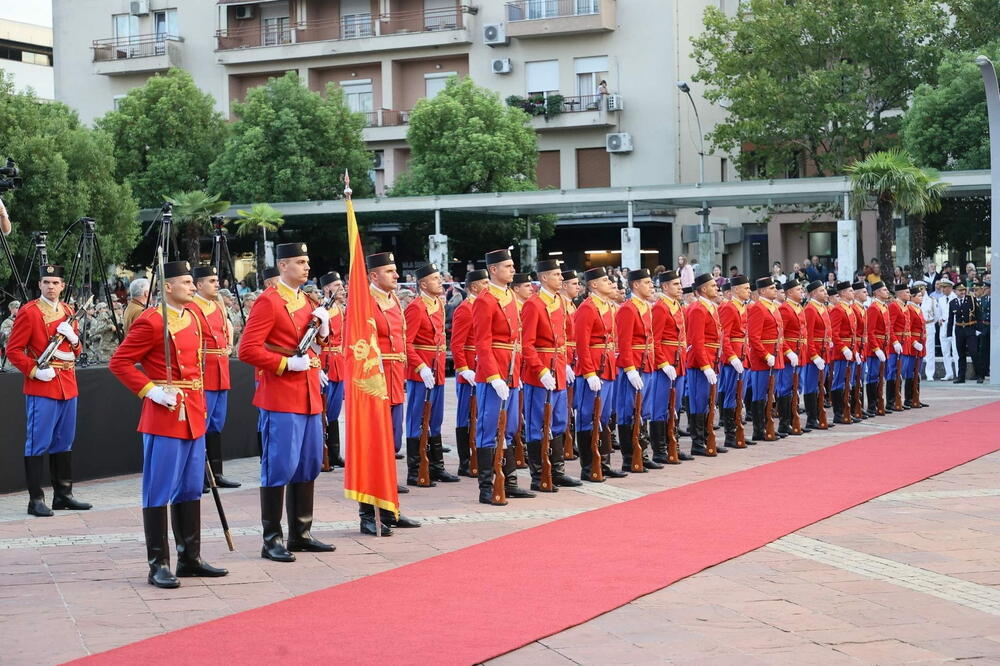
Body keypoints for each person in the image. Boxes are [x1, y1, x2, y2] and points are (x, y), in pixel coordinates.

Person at [109, 260, 227, 588]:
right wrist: (151, 390)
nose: (193, 287)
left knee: (190, 487)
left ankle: (190, 557)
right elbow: (119, 362)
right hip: (164, 412)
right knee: (159, 488)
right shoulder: (151, 321)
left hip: (192, 411)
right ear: (169, 287)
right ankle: (158, 563)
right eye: (187, 282)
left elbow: (198, 370)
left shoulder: (192, 318)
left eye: (193, 282)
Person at [239, 243, 334, 562]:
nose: (307, 267)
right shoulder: (269, 301)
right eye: (300, 262)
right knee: (279, 466)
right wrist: (283, 365)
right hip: (281, 393)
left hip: (307, 393)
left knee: (308, 463)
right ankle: (271, 538)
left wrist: (324, 328)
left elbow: (317, 345)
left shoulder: (308, 300)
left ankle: (301, 533)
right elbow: (248, 350)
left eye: (308, 261)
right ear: (283, 265)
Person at [6, 265, 91, 517]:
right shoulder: (29, 312)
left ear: (62, 286)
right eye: (46, 282)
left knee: (64, 441)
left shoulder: (68, 311)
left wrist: (75, 340)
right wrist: (34, 371)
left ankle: (63, 495)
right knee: (38, 442)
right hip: (43, 383)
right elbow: (13, 350)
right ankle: (36, 499)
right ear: (39, 284)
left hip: (68, 382)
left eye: (55, 282)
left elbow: (76, 351)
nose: (51, 286)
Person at [361, 252, 420, 532]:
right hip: (374, 383)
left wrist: (417, 368)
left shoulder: (393, 299)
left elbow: (402, 340)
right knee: (373, 449)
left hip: (395, 382)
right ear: (373, 275)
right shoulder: (365, 303)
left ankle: (390, 509)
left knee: (391, 447)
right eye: (390, 271)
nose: (397, 276)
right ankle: (368, 515)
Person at [473, 249, 534, 503]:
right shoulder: (485, 300)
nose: (512, 269)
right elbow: (482, 343)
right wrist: (493, 376)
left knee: (509, 427)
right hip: (495, 372)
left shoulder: (509, 296)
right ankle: (487, 487)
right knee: (489, 428)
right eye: (507, 266)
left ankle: (508, 480)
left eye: (512, 265)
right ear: (493, 270)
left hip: (512, 369)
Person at [520, 259, 579, 491]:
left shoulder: (561, 303)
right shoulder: (534, 304)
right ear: (543, 277)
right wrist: (541, 370)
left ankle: (557, 470)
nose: (560, 278)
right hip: (541, 372)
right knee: (538, 423)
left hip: (559, 368)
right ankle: (539, 475)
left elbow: (564, 338)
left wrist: (566, 364)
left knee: (559, 421)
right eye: (555, 274)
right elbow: (527, 344)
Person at [404, 263, 458, 486]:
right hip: (422, 372)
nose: (440, 282)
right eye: (435, 279)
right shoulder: (417, 307)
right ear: (423, 284)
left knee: (435, 419)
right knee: (417, 419)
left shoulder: (437, 304)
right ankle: (415, 470)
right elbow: (406, 343)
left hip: (436, 370)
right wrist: (420, 367)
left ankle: (436, 467)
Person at [189, 265, 240, 490]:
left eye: (216, 280)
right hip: (204, 370)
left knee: (217, 424)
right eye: (211, 280)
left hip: (221, 368)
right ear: (199, 285)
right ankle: (199, 475)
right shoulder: (192, 307)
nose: (217, 284)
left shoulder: (217, 306)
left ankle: (216, 473)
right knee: (203, 423)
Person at [573, 267, 625, 480]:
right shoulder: (587, 308)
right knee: (588, 417)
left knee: (604, 417)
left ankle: (603, 462)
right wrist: (588, 372)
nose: (609, 283)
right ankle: (589, 466)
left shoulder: (609, 307)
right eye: (604, 280)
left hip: (608, 367)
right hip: (594, 368)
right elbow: (582, 344)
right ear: (593, 284)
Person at [614, 268, 660, 472]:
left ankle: (643, 452)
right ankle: (630, 457)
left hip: (647, 363)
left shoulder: (646, 307)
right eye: (647, 282)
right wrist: (630, 369)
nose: (651, 286)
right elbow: (623, 342)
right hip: (634, 366)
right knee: (629, 411)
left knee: (644, 410)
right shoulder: (628, 308)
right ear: (635, 285)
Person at [451, 269, 488, 478]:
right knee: (465, 416)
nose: (487, 286)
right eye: (484, 283)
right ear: (473, 287)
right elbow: (457, 344)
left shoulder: (483, 305)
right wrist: (464, 370)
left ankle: (475, 457)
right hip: (469, 371)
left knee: (478, 414)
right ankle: (465, 462)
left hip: (481, 368)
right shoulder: (466, 309)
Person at [650, 270, 690, 461]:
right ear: (664, 287)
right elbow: (654, 340)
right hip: (665, 363)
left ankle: (672, 443)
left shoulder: (677, 306)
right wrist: (663, 363)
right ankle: (659, 450)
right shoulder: (660, 307)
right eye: (675, 284)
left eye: (679, 284)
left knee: (674, 405)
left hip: (679, 361)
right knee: (660, 406)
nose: (680, 287)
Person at [318, 271, 346, 469]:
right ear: (327, 289)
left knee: (334, 410)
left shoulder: (340, 309)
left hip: (338, 362)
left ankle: (334, 453)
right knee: (323, 410)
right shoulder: (321, 309)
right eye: (337, 285)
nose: (342, 288)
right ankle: (321, 454)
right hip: (325, 361)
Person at [718, 275, 749, 449]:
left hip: (742, 355)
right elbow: (725, 336)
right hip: (733, 359)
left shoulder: (742, 307)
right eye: (745, 288)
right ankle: (731, 435)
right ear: (736, 290)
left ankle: (738, 431)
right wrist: (731, 357)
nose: (749, 291)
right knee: (731, 395)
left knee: (739, 396)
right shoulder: (729, 307)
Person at [802, 280, 832, 430]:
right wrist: (814, 356)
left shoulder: (822, 307)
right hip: (814, 355)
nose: (825, 293)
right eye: (822, 291)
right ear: (813, 293)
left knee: (820, 386)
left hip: (824, 352)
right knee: (811, 386)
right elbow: (809, 336)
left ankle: (819, 415)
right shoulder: (810, 309)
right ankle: (811, 418)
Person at [777, 279, 805, 435]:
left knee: (796, 387)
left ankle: (793, 420)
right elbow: (781, 335)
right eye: (798, 289)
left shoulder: (799, 307)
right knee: (785, 388)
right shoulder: (785, 309)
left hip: (799, 353)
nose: (801, 292)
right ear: (789, 293)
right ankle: (783, 423)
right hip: (790, 355)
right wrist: (788, 352)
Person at [828, 281, 858, 425]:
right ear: (843, 293)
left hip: (850, 350)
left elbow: (854, 333)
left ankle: (847, 410)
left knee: (848, 382)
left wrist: (855, 350)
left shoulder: (849, 308)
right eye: (850, 291)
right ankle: (838, 413)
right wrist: (843, 348)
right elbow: (834, 333)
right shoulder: (838, 309)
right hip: (842, 352)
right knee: (839, 382)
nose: (853, 293)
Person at [864, 281, 891, 416]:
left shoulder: (884, 306)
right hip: (875, 348)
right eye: (884, 290)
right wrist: (876, 349)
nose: (887, 292)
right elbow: (870, 331)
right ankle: (871, 406)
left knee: (880, 377)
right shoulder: (874, 308)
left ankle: (879, 403)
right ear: (876, 292)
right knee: (873, 376)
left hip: (883, 346)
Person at [949, 283, 983, 383]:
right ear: (955, 292)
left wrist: (978, 329)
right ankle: (961, 377)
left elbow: (979, 315)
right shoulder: (952, 303)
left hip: (970, 328)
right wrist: (949, 334)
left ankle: (979, 375)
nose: (962, 292)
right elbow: (951, 319)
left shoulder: (971, 300)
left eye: (963, 290)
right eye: (960, 290)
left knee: (974, 352)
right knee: (961, 354)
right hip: (959, 330)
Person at [886, 284, 911, 408]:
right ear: (900, 293)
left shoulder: (905, 306)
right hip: (896, 344)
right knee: (893, 371)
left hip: (905, 343)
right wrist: (894, 341)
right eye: (906, 292)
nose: (909, 294)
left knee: (901, 372)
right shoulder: (894, 306)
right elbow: (889, 327)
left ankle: (898, 399)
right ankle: (891, 401)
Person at [906, 287, 928, 406]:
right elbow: (908, 328)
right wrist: (914, 342)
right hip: (914, 343)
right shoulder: (909, 309)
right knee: (911, 372)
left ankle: (916, 397)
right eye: (919, 296)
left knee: (917, 372)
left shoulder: (918, 309)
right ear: (912, 297)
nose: (921, 298)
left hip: (921, 342)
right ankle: (909, 399)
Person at [935, 279, 958, 380]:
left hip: (953, 326)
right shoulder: (941, 299)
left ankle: (958, 372)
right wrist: (939, 319)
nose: (942, 289)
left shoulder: (955, 297)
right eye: (942, 287)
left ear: (950, 287)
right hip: (943, 326)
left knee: (956, 350)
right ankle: (949, 373)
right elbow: (939, 313)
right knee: (945, 351)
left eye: (944, 287)